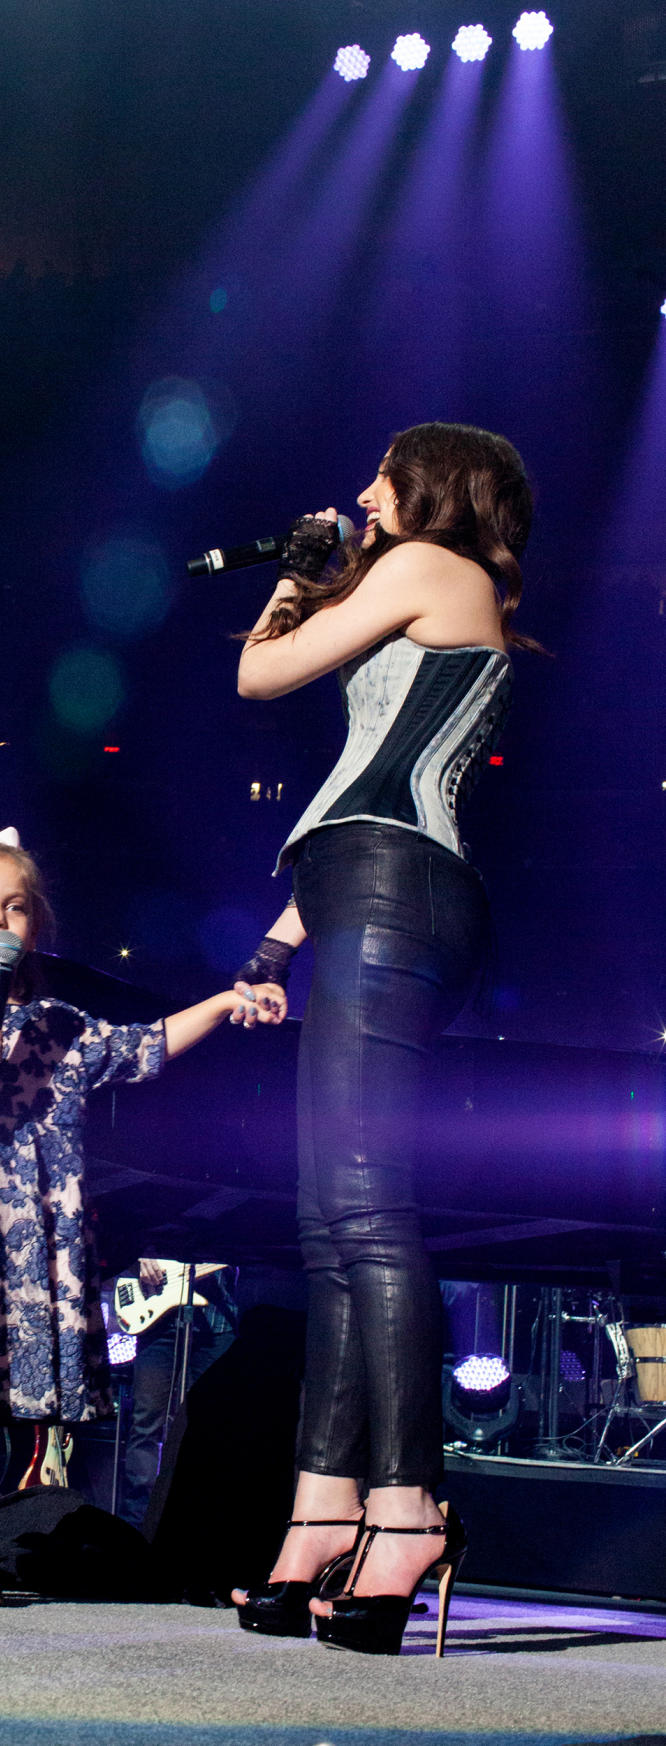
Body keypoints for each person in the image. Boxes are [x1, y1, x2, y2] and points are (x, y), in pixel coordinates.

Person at [229, 423, 534, 1656]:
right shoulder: (425, 585)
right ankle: (324, 1509)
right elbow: (369, 770)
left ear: (433, 489)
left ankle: (407, 1512)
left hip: (396, 887)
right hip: (373, 886)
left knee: (365, 1208)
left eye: (379, 480)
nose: (361, 495)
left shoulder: (429, 568)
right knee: (330, 1218)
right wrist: (278, 945)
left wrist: (299, 573)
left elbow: (260, 677)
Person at [0, 827, 285, 1604]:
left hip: (15, 1234)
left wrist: (227, 999)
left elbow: (146, 1047)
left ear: (32, 925)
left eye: (14, 907)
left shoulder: (58, 1024)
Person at [118, 1258, 237, 1531]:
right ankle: (136, 1523)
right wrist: (140, 1258)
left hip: (217, 1324)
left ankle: (192, 1520)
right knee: (146, 1422)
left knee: (208, 1427)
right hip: (157, 1322)